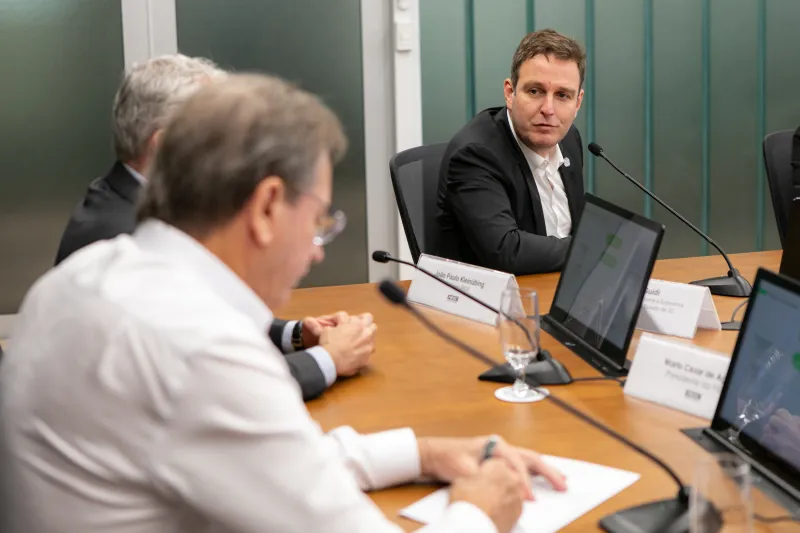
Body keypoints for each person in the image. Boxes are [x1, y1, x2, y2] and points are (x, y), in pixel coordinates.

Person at [0, 74, 567, 533]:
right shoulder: (199, 346)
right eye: (319, 218)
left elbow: (263, 458)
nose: (317, 252)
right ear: (268, 207)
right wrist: (479, 509)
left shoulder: (84, 277)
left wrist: (420, 453)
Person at [53, 54, 371, 401]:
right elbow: (223, 385)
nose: (239, 161)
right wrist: (327, 359)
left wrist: (295, 335)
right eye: (219, 141)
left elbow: (206, 316)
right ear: (165, 149)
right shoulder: (123, 237)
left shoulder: (129, 203)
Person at [436, 29, 587, 275]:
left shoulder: (568, 138)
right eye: (535, 91)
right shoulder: (475, 155)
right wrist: (590, 250)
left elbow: (574, 229)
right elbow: (506, 251)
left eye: (562, 95)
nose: (548, 109)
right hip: (491, 302)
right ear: (510, 92)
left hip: (557, 286)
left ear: (577, 102)